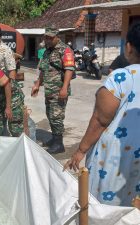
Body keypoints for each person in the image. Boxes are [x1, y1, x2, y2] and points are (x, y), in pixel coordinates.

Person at [63, 23, 140, 207]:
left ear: (128, 47)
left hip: (118, 157)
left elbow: (100, 120)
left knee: (105, 206)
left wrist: (81, 151)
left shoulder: (122, 77)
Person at [31, 27, 75, 154]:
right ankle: (55, 138)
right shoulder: (47, 51)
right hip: (49, 90)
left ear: (57, 37)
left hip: (59, 90)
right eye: (46, 37)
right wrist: (37, 85)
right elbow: (43, 70)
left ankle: (59, 144)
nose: (48, 40)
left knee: (57, 116)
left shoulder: (65, 50)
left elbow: (69, 69)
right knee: (50, 114)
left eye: (50, 38)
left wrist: (64, 88)